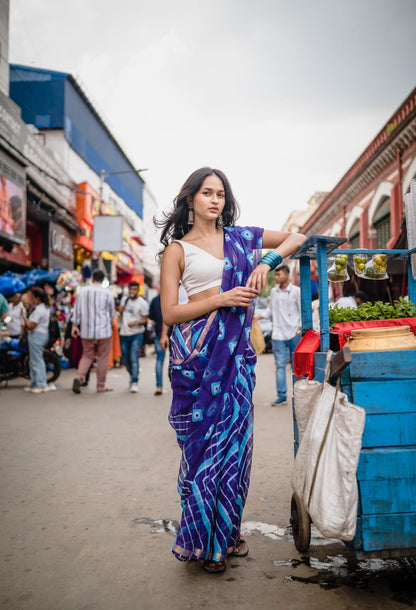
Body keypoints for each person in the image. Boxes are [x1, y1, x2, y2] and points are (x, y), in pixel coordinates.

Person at [158, 167, 306, 573]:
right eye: (206, 193)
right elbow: (170, 311)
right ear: (191, 199)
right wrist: (220, 299)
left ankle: (226, 532)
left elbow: (300, 237)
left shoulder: (242, 238)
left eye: (220, 193)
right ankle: (203, 539)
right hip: (198, 355)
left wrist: (269, 262)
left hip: (235, 356)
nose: (215, 200)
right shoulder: (178, 250)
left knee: (235, 450)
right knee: (202, 448)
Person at [262, 265, 302, 406]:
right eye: (276, 275)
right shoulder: (274, 292)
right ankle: (282, 395)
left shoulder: (296, 291)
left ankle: (300, 395)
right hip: (278, 334)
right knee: (280, 366)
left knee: (298, 366)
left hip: (294, 333)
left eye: (279, 275)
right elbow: (269, 311)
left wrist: (300, 326)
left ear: (286, 275)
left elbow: (302, 310)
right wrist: (257, 316)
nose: (276, 277)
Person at [71, 269, 115, 394]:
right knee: (102, 359)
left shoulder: (83, 291)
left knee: (87, 356)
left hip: (86, 331)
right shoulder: (108, 293)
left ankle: (79, 377)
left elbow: (76, 311)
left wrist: (75, 325)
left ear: (92, 278)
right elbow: (112, 314)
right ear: (102, 280)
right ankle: (100, 386)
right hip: (104, 332)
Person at [118, 281, 149, 393]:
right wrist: (120, 311)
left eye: (134, 289)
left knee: (133, 357)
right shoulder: (124, 300)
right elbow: (120, 313)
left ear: (138, 290)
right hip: (124, 333)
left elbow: (145, 319)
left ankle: (135, 381)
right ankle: (132, 374)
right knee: (125, 359)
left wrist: (135, 323)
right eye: (131, 289)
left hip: (137, 333)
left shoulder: (143, 303)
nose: (132, 291)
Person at [21, 286, 50, 393]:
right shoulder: (44, 308)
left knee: (37, 360)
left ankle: (41, 383)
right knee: (33, 360)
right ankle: (34, 382)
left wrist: (24, 317)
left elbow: (31, 326)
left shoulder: (39, 310)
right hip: (40, 335)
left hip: (37, 335)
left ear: (36, 298)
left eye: (31, 297)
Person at [148, 293, 170, 395]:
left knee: (159, 361)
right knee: (174, 360)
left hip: (159, 333)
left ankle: (159, 386)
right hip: (173, 333)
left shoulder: (155, 300)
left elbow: (151, 317)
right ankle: (174, 383)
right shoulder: (176, 297)